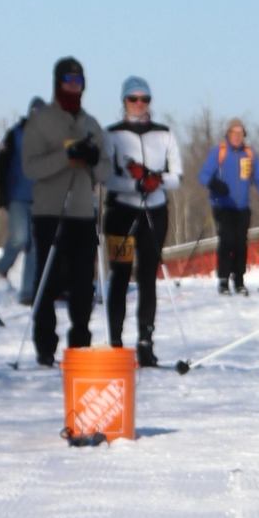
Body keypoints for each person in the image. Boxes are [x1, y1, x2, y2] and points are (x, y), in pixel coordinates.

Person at [21, 59, 106, 364]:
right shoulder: (42, 121)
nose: (74, 85)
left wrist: (94, 159)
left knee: (84, 284)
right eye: (69, 80)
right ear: (58, 83)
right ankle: (45, 346)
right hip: (50, 213)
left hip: (83, 214)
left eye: (79, 80)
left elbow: (106, 172)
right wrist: (66, 156)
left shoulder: (91, 124)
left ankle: (80, 344)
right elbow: (31, 168)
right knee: (49, 280)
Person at [102, 77, 183, 366]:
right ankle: (114, 341)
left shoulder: (164, 133)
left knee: (148, 276)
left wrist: (156, 179)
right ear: (123, 101)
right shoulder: (111, 134)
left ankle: (146, 341)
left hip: (155, 212)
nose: (139, 105)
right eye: (132, 99)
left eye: (144, 99)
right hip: (121, 213)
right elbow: (105, 177)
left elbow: (178, 176)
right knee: (120, 275)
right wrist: (134, 184)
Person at [200, 119, 259, 293]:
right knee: (227, 241)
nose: (237, 137)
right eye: (233, 133)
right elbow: (203, 175)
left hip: (242, 206)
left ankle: (239, 280)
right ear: (228, 134)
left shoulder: (249, 154)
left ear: (244, 135)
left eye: (240, 133)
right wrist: (215, 184)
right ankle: (224, 279)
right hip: (222, 205)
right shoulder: (219, 151)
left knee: (241, 243)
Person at [0, 97, 41, 300]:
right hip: (17, 196)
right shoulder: (15, 134)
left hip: (41, 199)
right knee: (20, 237)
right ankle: (2, 268)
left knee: (35, 244)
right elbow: (0, 164)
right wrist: (2, 192)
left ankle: (28, 292)